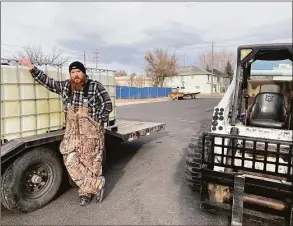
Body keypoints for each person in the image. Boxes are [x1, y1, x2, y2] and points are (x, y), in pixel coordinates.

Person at [19, 59, 113, 206]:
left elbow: (107, 105)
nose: (75, 75)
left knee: (91, 162)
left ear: (83, 73)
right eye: (73, 72)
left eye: (78, 71)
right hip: (72, 131)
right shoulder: (65, 86)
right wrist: (32, 68)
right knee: (70, 159)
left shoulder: (95, 86)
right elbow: (48, 82)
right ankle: (97, 184)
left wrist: (97, 121)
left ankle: (85, 193)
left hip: (91, 132)